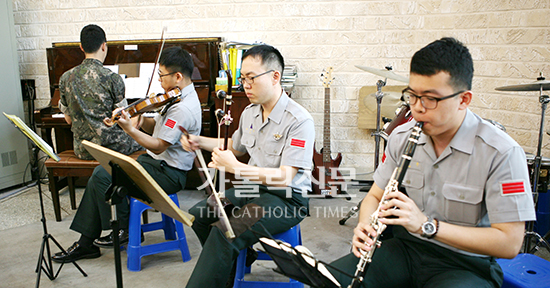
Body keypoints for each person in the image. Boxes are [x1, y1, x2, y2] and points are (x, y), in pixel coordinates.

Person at [328, 37, 536, 287]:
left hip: (465, 264)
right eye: (412, 96)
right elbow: (374, 197)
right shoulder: (402, 137)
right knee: (329, 280)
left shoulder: (501, 153)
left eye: (430, 99)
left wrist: (428, 226)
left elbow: (509, 243)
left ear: (464, 99)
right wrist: (365, 224)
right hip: (405, 250)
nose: (417, 108)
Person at [52, 46, 202, 263]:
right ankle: (89, 242)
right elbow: (159, 129)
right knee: (102, 173)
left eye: (161, 76)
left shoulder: (183, 108)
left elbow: (159, 145)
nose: (159, 81)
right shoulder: (174, 98)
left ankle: (122, 230)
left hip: (169, 173)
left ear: (178, 76)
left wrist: (130, 130)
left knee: (104, 175)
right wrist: (140, 119)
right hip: (155, 164)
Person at [181, 44, 315, 287]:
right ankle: (235, 261)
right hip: (254, 191)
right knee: (200, 214)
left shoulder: (299, 120)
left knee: (226, 231)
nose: (246, 84)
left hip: (287, 199)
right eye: (243, 78)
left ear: (275, 77)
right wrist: (199, 141)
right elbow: (236, 146)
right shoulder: (250, 113)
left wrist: (236, 168)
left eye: (252, 78)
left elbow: (285, 178)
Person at [58, 24, 142, 160]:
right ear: (104, 46)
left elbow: (69, 120)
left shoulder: (66, 77)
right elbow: (123, 120)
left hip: (82, 150)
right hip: (113, 148)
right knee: (147, 145)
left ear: (81, 47)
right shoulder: (113, 78)